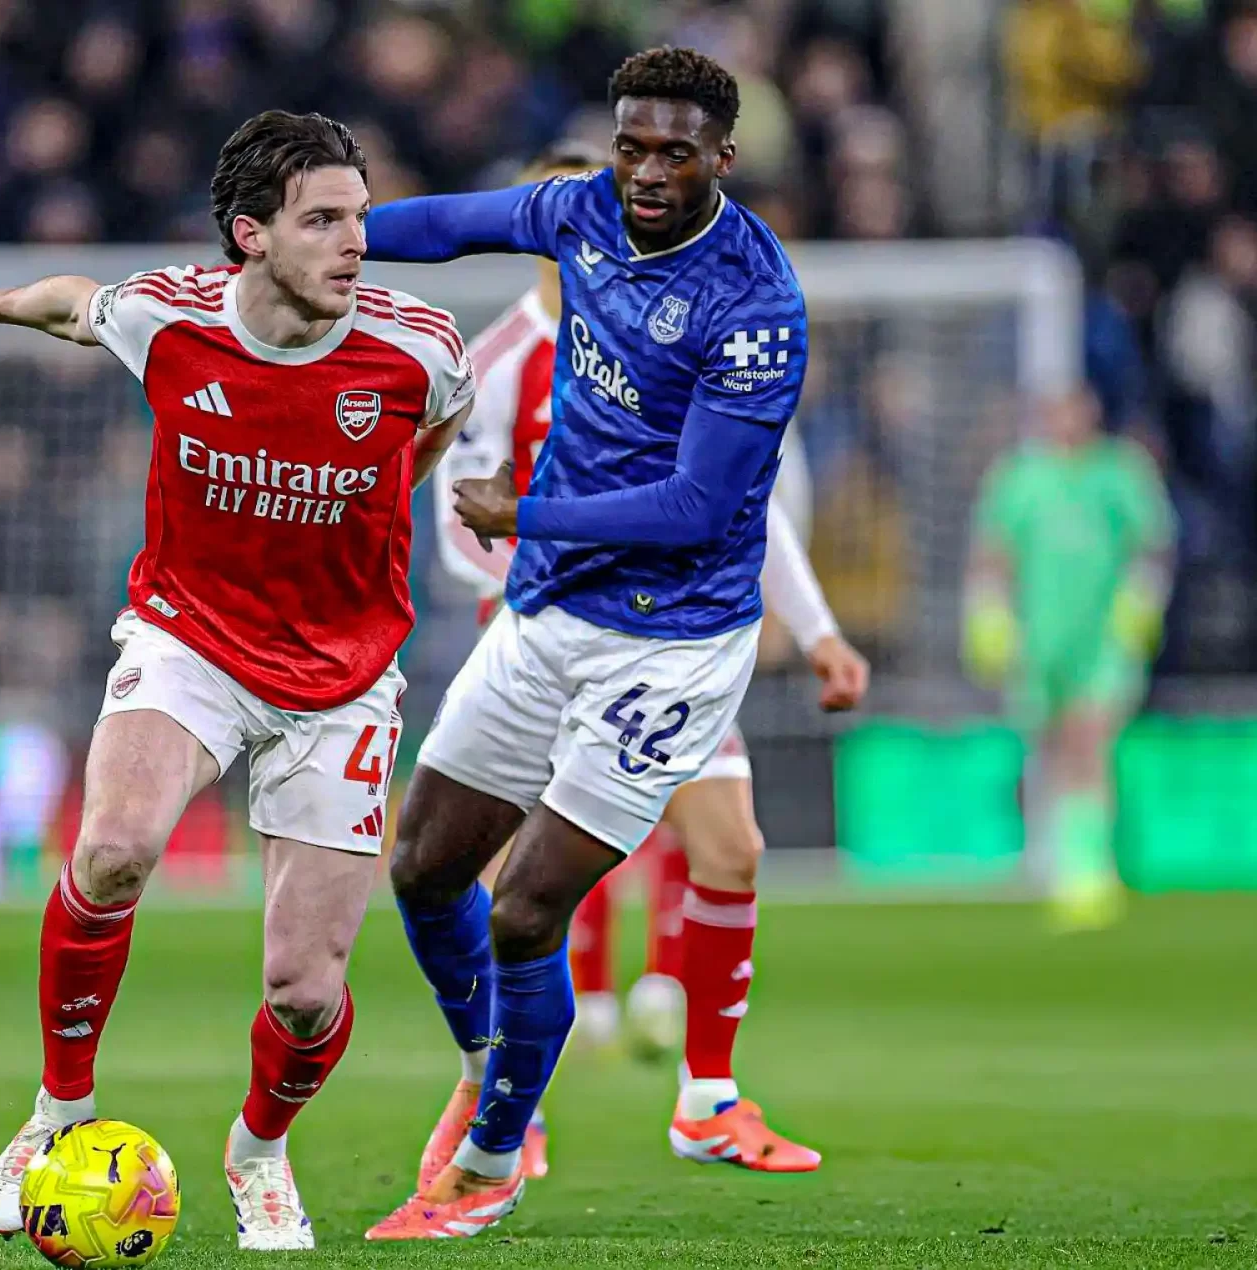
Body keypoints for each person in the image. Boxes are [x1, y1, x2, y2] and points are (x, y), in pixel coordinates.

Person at [0, 109, 475, 1252]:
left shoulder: (418, 348)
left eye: (359, 218)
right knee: (112, 848)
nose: (354, 243)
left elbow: (431, 437)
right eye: (323, 221)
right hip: (192, 640)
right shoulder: (171, 317)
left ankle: (258, 1149)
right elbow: (75, 304)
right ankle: (54, 1114)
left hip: (342, 676)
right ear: (250, 234)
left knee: (304, 992)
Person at [358, 46, 812, 1239]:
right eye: (630, 147)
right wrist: (330, 239)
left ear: (723, 157)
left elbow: (699, 508)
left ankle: (495, 1160)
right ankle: (486, 1073)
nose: (646, 172)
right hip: (547, 609)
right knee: (422, 867)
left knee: (525, 906)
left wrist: (526, 513)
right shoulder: (581, 212)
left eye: (674, 153)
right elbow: (450, 225)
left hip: (669, 641)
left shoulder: (753, 305)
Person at [438, 144, 869, 1133]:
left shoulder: (671, 339)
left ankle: (707, 1094)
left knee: (730, 846)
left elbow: (742, 503)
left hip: (671, 643)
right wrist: (533, 594)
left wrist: (817, 631)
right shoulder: (497, 362)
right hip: (549, 647)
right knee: (523, 875)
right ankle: (511, 1104)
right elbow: (458, 520)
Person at [963, 386, 1174, 930]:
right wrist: (989, 614)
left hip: (1102, 636)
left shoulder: (1120, 473)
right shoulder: (1018, 479)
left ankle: (1090, 868)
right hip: (1039, 639)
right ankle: (1062, 855)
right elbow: (993, 553)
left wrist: (1141, 598)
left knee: (1089, 736)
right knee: (1053, 746)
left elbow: (1153, 544)